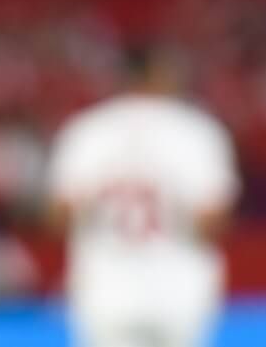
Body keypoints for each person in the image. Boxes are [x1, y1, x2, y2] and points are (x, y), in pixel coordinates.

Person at [46, 44, 240, 347]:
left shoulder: (87, 130)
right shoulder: (197, 131)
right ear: (160, 75)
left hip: (105, 287)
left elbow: (59, 218)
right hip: (180, 286)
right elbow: (212, 223)